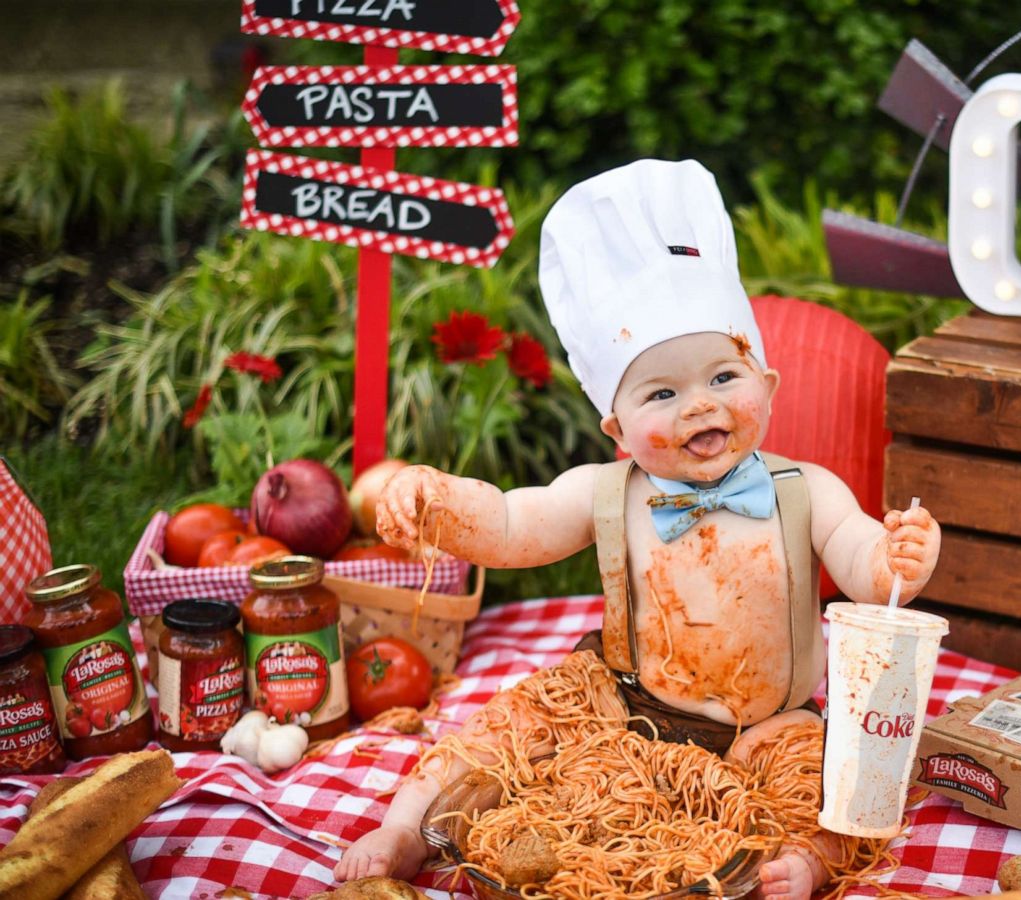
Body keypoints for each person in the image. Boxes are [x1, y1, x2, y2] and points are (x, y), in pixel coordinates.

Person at [334, 159, 941, 899]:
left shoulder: (805, 490)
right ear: (618, 428)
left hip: (766, 722)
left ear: (768, 387)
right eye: (663, 392)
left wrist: (896, 553)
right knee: (515, 723)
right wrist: (435, 500)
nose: (699, 405)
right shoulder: (608, 492)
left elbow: (864, 570)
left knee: (828, 773)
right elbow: (513, 524)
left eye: (724, 378)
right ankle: (405, 826)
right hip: (625, 701)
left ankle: (805, 863)